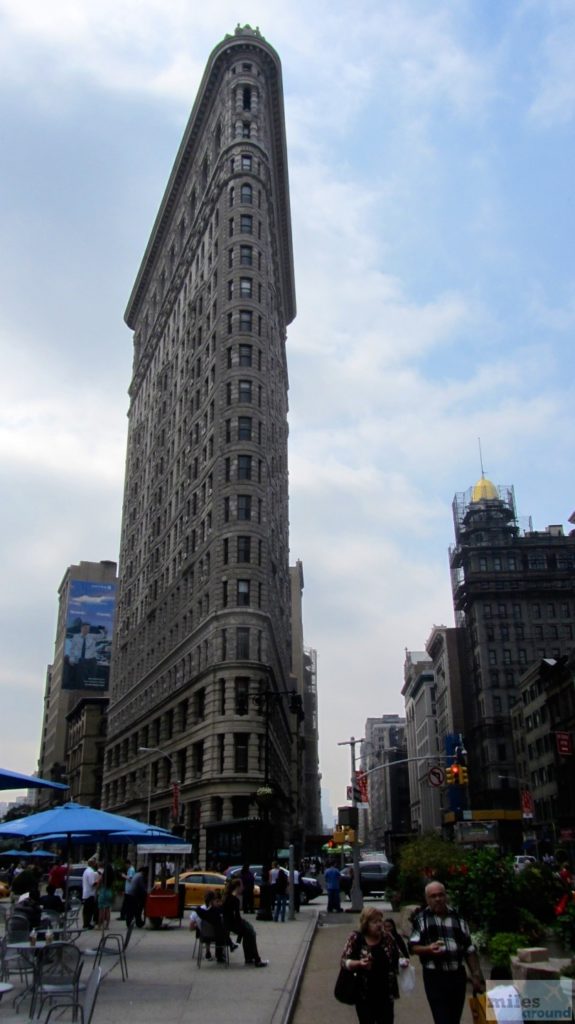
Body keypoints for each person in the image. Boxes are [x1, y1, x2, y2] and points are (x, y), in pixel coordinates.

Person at [410, 882, 485, 1024]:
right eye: (433, 896)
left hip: (456, 975)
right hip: (435, 977)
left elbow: (469, 948)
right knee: (442, 1019)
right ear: (427, 899)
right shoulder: (422, 919)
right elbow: (413, 947)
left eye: (440, 895)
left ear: (446, 896)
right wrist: (428, 949)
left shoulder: (458, 918)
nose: (438, 899)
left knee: (454, 1018)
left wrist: (476, 975)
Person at [340, 906, 398, 1024]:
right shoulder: (355, 938)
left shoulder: (387, 938)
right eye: (374, 922)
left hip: (385, 992)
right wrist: (358, 964)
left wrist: (402, 962)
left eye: (380, 921)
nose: (379, 925)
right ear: (365, 923)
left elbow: (397, 956)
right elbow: (343, 961)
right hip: (363, 994)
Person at [222, 878, 269, 967]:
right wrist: (243, 923)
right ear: (237, 887)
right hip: (233, 924)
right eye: (241, 886)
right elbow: (237, 917)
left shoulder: (226, 897)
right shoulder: (234, 900)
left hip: (227, 923)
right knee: (251, 933)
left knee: (249, 932)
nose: (243, 888)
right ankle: (256, 959)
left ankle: (249, 958)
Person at [81, 856, 101, 929]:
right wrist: (99, 880)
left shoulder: (86, 871)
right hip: (90, 893)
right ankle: (87, 923)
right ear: (93, 864)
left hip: (86, 893)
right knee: (89, 910)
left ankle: (86, 923)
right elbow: (92, 883)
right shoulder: (91, 872)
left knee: (86, 910)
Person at [97, 863, 115, 930]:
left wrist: (96, 890)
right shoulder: (112, 877)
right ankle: (107, 926)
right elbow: (113, 886)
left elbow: (98, 884)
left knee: (101, 910)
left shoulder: (103, 876)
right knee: (108, 910)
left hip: (103, 892)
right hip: (109, 892)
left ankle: (99, 926)